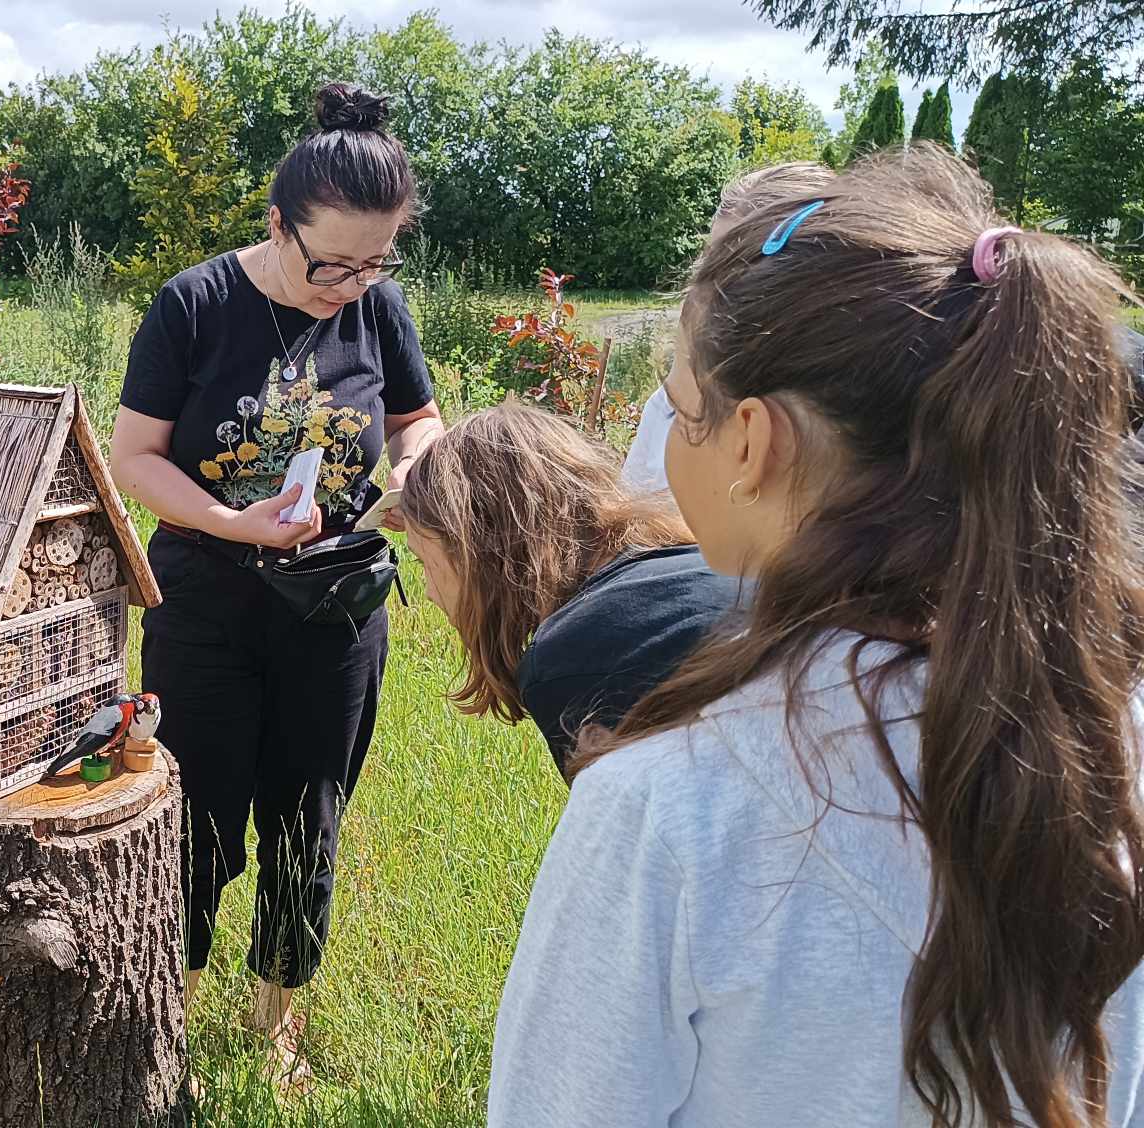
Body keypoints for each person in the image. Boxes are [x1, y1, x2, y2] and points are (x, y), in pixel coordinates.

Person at [488, 148, 1144, 1126]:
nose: (663, 438)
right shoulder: (1111, 745)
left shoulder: (667, 815)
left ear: (752, 442)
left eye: (677, 405)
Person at [108, 81, 442, 1090]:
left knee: (309, 816)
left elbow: (415, 421)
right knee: (194, 819)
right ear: (273, 226)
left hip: (334, 611)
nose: (350, 284)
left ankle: (274, 1029)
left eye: (374, 262)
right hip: (207, 601)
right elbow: (135, 457)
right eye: (328, 262)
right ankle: (170, 1032)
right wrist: (226, 519)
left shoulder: (377, 307)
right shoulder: (196, 305)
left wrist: (417, 474)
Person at [401, 404, 737, 777]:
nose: (429, 593)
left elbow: (632, 829)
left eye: (424, 563)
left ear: (479, 552)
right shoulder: (692, 556)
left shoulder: (572, 661)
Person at [622, 162, 835, 494]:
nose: (703, 296)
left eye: (735, 275)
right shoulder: (671, 402)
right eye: (708, 266)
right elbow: (632, 505)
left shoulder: (829, 436)